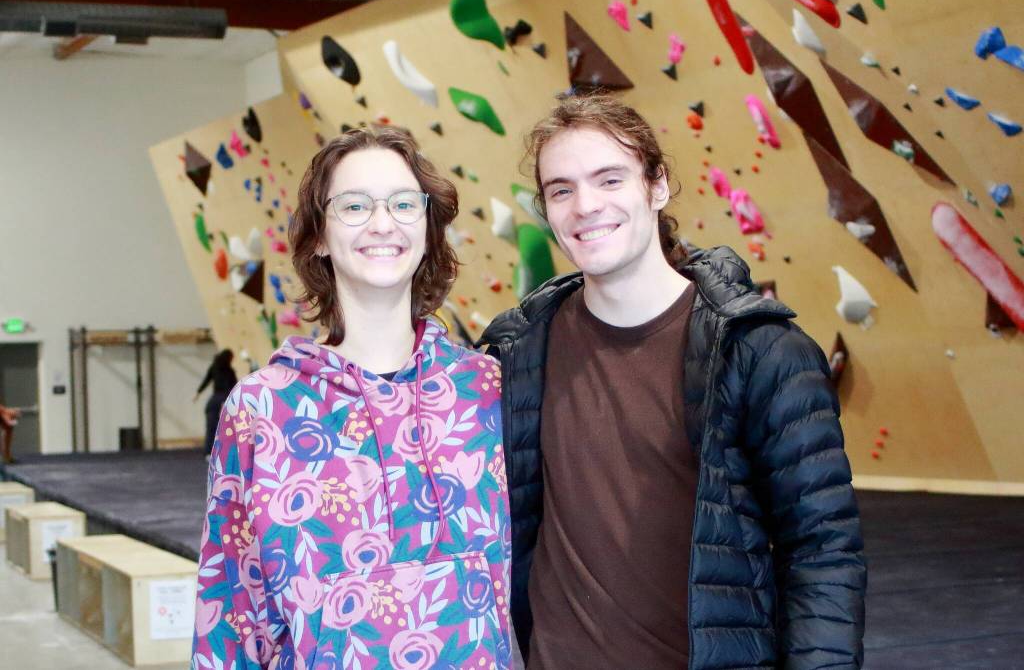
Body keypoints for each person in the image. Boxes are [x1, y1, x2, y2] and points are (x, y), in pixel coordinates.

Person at [480, 94, 867, 669]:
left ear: (657, 185)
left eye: (610, 179)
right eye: (561, 190)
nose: (586, 205)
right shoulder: (517, 353)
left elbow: (822, 551)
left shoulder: (761, 351)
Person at [191, 128, 512, 670]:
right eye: (355, 205)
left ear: (427, 229)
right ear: (319, 235)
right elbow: (230, 610)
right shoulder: (261, 409)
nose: (382, 223)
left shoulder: (486, 389)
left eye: (403, 204)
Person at [194, 349, 238, 455]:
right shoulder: (229, 371)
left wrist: (198, 392)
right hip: (225, 399)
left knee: (211, 427)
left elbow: (206, 380)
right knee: (227, 428)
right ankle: (224, 452)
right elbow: (234, 387)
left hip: (214, 400)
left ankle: (209, 452)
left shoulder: (214, 367)